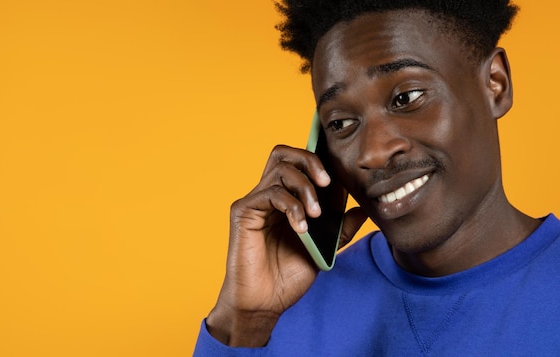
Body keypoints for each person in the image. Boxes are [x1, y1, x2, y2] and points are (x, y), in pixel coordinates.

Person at [194, 0, 560, 355]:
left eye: (407, 97)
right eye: (340, 123)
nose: (372, 153)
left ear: (495, 84)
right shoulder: (286, 306)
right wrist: (244, 321)